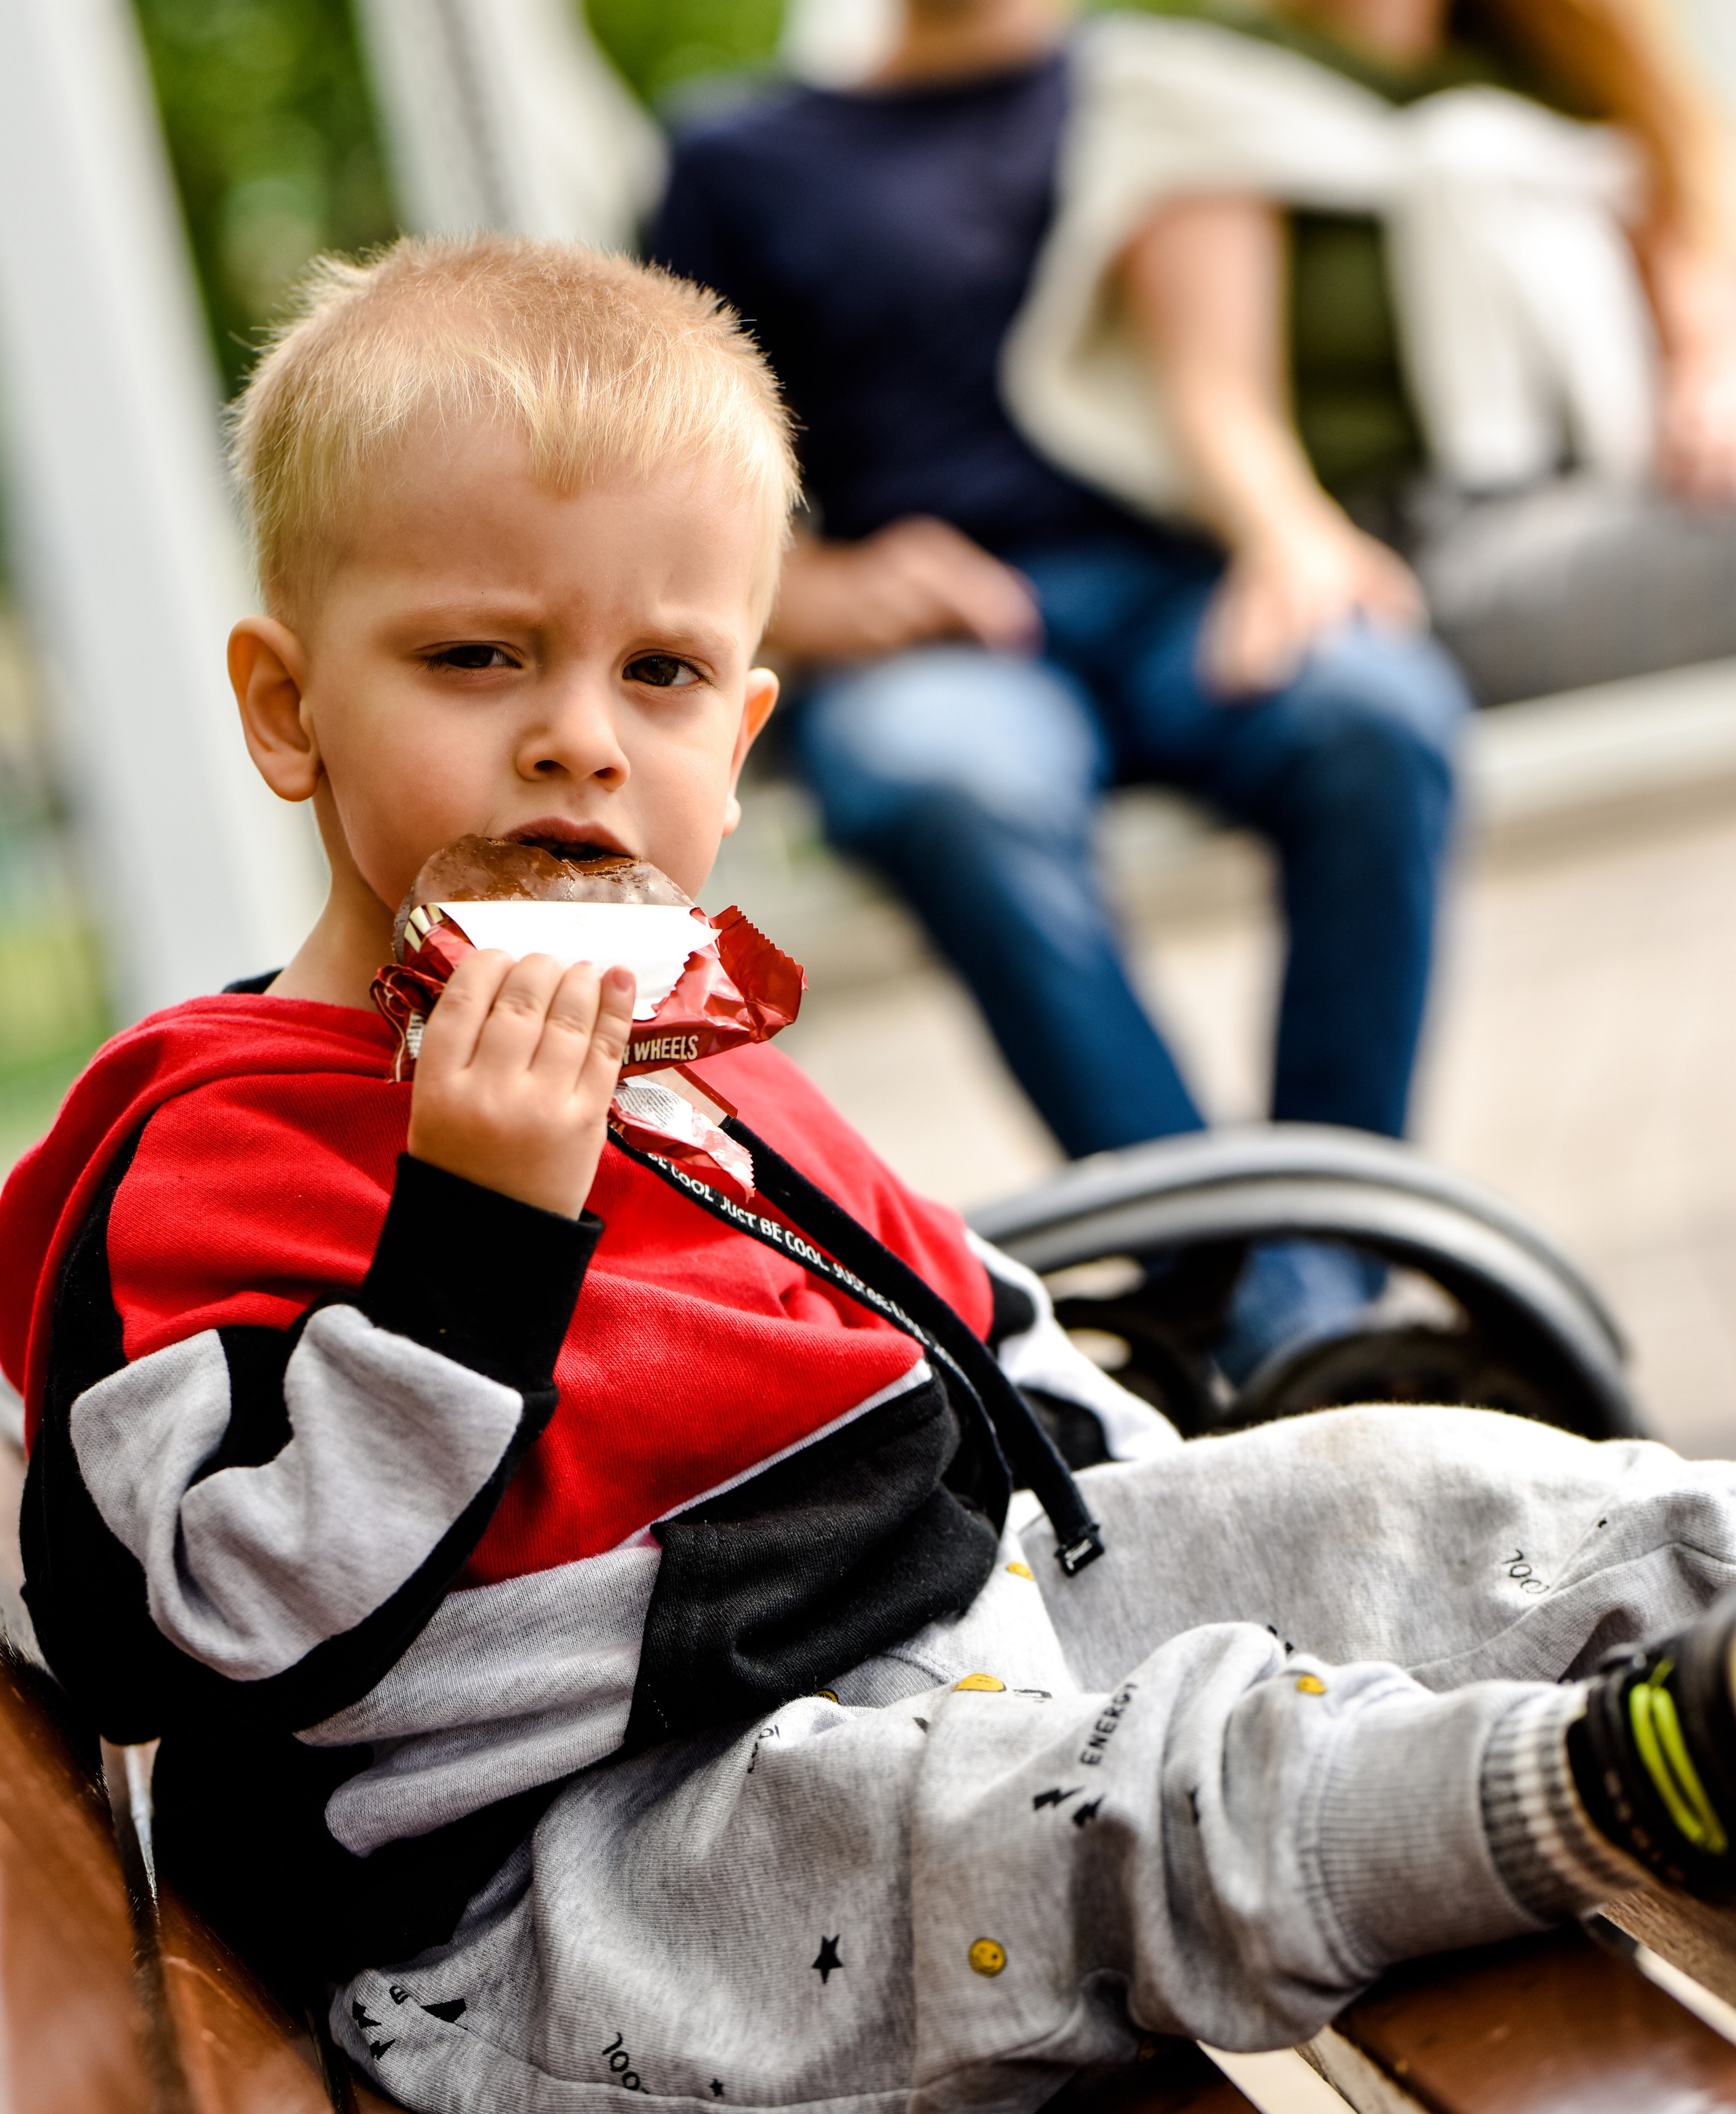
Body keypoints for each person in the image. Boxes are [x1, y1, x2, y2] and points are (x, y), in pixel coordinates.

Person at [13, 231, 1736, 2109]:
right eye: (474, 654)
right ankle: (1607, 1785)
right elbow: (178, 1631)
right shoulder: (214, 1134)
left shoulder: (700, 1057)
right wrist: (468, 1246)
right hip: (587, 1879)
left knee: (1411, 1487)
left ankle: (1694, 1599)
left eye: (659, 671)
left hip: (950, 1620)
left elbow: (970, 1327)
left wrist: (1187, 1517)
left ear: (738, 741)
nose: (577, 736)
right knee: (1076, 1809)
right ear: (287, 706)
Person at [651, 0, 1472, 1377]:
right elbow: (647, 495)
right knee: (949, 780)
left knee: (1377, 706)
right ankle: (1286, 1311)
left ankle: (1286, 1301)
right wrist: (825, 589)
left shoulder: (1179, 96)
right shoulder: (741, 163)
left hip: (1189, 599)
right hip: (945, 641)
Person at [1002, 0, 1736, 710]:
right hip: (1413, 562)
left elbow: (1695, 295)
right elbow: (1215, 391)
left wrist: (1707, 385)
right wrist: (1291, 540)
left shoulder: (1566, 82)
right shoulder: (1210, 82)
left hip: (1627, 510)